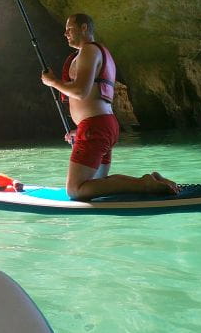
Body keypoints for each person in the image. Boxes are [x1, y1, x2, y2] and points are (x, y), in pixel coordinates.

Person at [41, 14, 179, 201]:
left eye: (70, 29)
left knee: (75, 190)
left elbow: (81, 91)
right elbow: (94, 96)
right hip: (102, 125)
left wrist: (53, 82)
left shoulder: (89, 50)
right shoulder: (97, 52)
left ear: (84, 28)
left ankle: (144, 184)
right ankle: (152, 180)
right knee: (96, 184)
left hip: (95, 127)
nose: (65, 33)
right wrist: (80, 130)